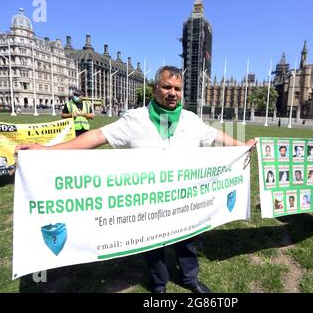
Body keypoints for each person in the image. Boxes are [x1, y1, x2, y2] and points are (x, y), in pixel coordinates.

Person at [15, 66, 256, 294]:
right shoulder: (135, 119)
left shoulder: (191, 120)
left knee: (188, 241)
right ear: (155, 89)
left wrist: (241, 146)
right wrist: (46, 150)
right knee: (154, 244)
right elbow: (98, 135)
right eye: (167, 87)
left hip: (185, 199)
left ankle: (189, 278)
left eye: (177, 89)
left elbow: (216, 135)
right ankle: (159, 284)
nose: (173, 93)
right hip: (150, 201)